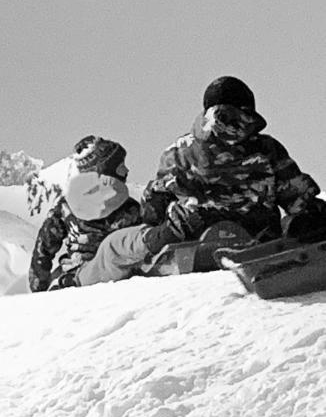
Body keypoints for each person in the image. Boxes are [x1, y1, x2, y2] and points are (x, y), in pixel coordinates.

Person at [75, 75, 325, 286]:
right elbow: (297, 198)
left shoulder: (178, 151)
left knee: (115, 246)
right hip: (259, 238)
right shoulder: (267, 148)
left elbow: (153, 209)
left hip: (188, 242)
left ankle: (75, 281)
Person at [29, 136, 143, 291]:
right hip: (116, 275)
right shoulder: (129, 208)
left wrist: (38, 286)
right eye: (120, 165)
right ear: (108, 169)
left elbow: (44, 247)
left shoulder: (66, 205)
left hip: (74, 272)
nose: (126, 170)